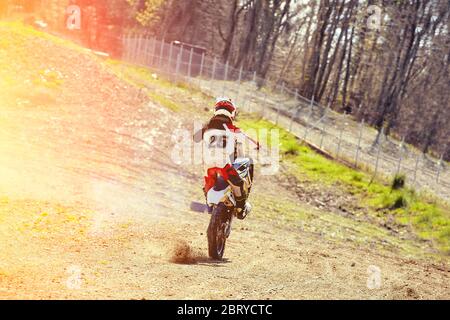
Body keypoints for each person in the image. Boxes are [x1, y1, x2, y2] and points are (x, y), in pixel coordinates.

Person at [193, 98, 259, 219]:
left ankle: (210, 205)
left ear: (215, 111)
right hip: (225, 166)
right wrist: (258, 145)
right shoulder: (233, 129)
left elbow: (195, 138)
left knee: (207, 186)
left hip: (208, 167)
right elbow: (251, 143)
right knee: (238, 183)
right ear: (232, 113)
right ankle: (240, 208)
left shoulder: (207, 128)